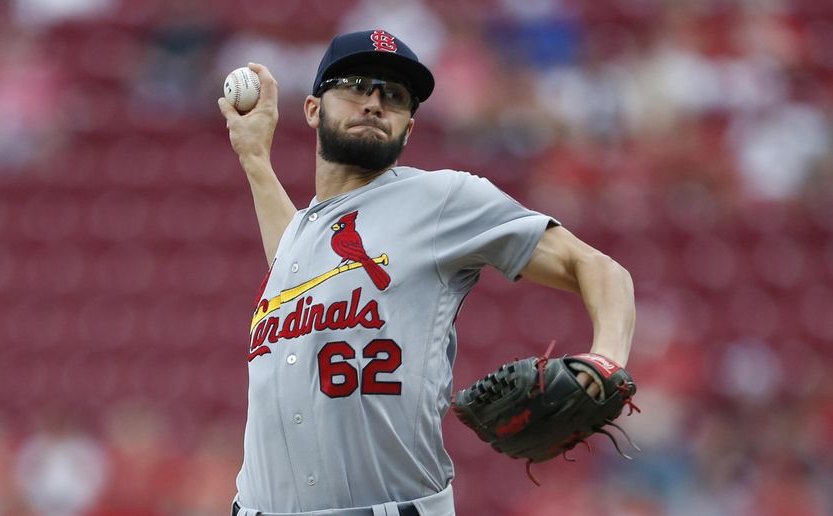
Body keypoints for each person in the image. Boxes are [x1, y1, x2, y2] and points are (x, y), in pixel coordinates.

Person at [217, 29, 635, 516]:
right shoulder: (306, 237)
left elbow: (598, 267)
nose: (374, 103)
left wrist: (607, 360)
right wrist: (254, 159)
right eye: (356, 85)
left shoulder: (441, 200)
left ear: (409, 129)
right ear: (312, 109)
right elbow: (297, 269)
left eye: (394, 96)